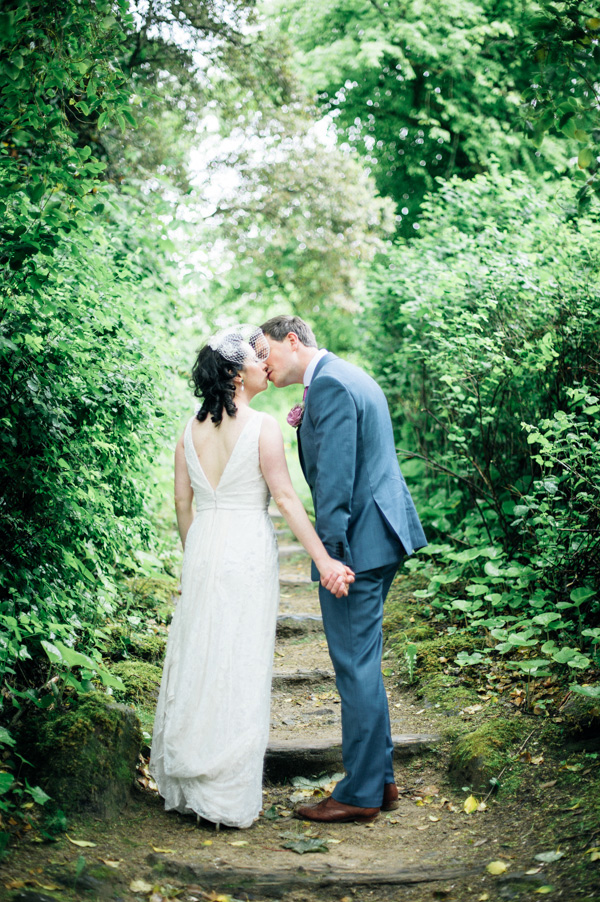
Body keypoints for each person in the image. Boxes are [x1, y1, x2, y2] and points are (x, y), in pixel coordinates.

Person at [150, 324, 354, 829]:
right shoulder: (262, 427)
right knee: (239, 660)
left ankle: (190, 781)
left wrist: (195, 553)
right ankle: (224, 792)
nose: (267, 364)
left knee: (201, 658)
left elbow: (183, 504)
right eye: (257, 359)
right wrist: (325, 561)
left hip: (203, 547)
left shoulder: (188, 430)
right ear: (237, 373)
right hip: (245, 550)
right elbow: (285, 500)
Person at [261, 315, 427, 824]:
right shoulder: (344, 376)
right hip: (383, 534)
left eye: (266, 350)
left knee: (354, 668)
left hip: (357, 545)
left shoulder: (329, 385)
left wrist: (328, 555)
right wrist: (307, 421)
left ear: (293, 341)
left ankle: (358, 794)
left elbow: (334, 483)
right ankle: (382, 781)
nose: (262, 363)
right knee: (364, 665)